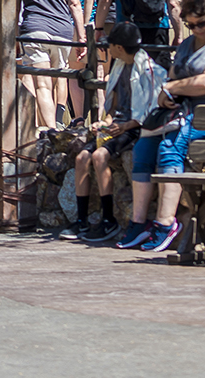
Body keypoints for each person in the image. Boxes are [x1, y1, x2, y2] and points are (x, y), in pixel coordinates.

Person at [119, 0, 205, 254]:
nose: (196, 29)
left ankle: (166, 224)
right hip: (180, 112)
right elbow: (175, 76)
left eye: (201, 23)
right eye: (191, 25)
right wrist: (170, 92)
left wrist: (174, 87)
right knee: (143, 148)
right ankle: (138, 223)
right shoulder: (188, 44)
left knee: (170, 147)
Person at [62, 21, 144, 243]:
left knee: (99, 156)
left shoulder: (145, 70)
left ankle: (109, 219)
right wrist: (104, 121)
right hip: (117, 125)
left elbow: (147, 111)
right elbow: (113, 108)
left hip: (134, 127)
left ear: (119, 47)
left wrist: (124, 126)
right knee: (82, 158)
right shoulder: (118, 68)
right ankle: (82, 220)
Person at [16, 0, 85, 129]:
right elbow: (75, 4)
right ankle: (56, 125)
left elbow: (15, 7)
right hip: (62, 32)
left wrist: (13, 36)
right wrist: (81, 37)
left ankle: (51, 132)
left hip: (34, 31)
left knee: (43, 86)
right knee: (58, 80)